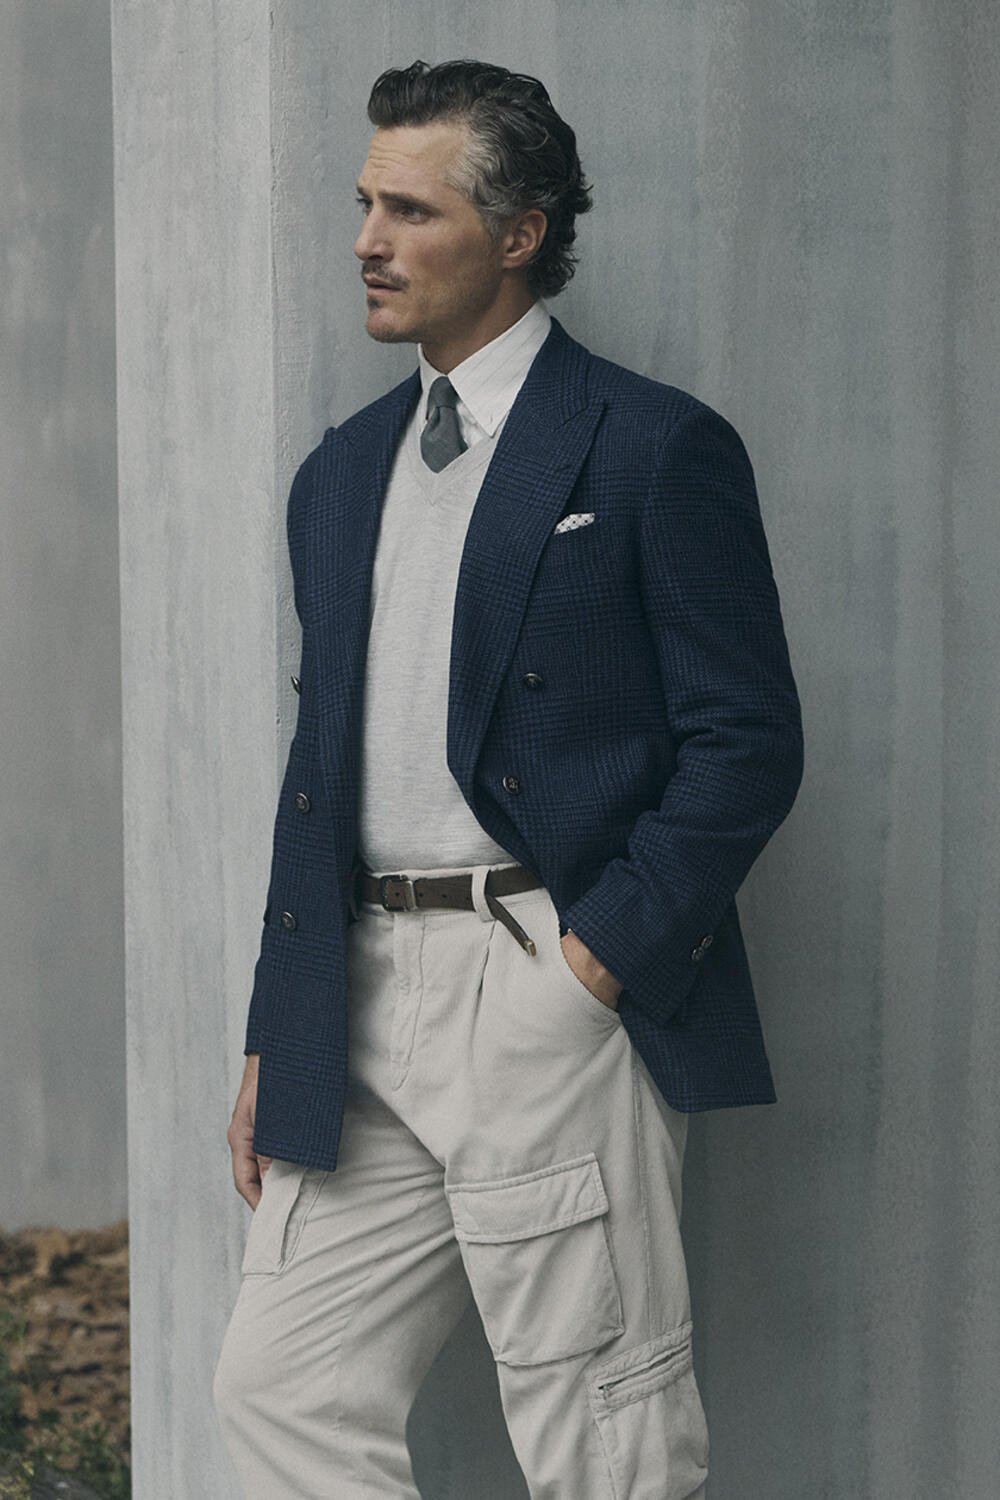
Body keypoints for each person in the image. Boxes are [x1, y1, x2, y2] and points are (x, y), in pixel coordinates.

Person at [214, 58, 802, 1500]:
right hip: (358, 997)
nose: (367, 240)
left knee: (605, 1434)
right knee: (282, 1394)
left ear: (521, 232)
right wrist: (279, 1026)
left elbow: (747, 743)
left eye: (411, 211)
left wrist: (591, 968)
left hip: (542, 978)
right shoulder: (339, 474)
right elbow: (321, 764)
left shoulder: (653, 445)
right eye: (365, 204)